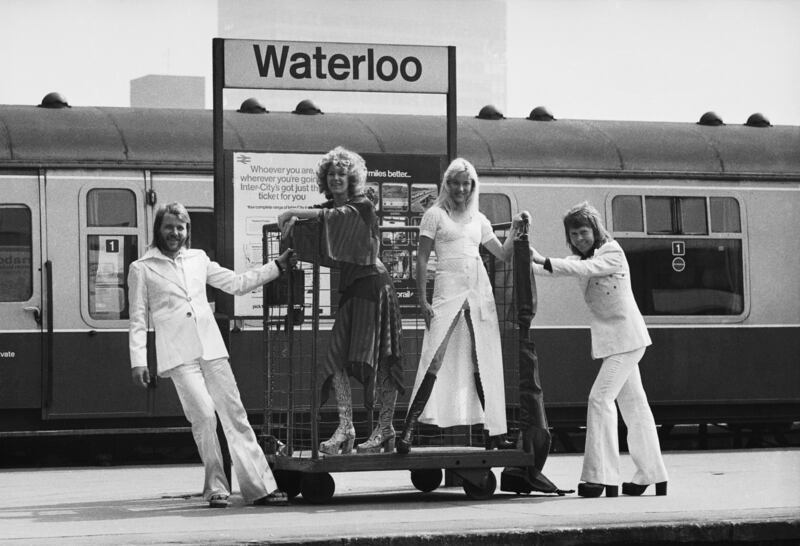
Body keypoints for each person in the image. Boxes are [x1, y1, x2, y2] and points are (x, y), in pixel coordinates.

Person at [128, 202, 293, 508]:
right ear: (158, 229)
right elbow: (138, 318)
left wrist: (277, 267)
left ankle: (260, 488)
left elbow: (236, 284)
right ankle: (216, 488)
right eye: (169, 226)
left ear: (187, 230)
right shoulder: (142, 268)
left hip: (212, 349)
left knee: (235, 416)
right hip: (178, 355)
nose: (175, 232)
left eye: (181, 227)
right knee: (203, 416)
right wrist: (138, 360)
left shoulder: (198, 259)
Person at [527, 201, 668, 497]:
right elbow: (560, 270)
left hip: (628, 341)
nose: (579, 239)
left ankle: (601, 477)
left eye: (583, 232)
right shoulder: (583, 259)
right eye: (574, 235)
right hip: (618, 342)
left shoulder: (612, 252)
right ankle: (652, 474)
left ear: (595, 230)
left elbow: (584, 268)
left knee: (599, 399)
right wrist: (521, 261)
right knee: (634, 407)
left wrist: (542, 258)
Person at [277, 147, 403, 455]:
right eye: (331, 174)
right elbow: (321, 222)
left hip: (374, 287)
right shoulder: (328, 209)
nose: (336, 179)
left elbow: (334, 218)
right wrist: (293, 224)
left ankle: (385, 428)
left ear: (352, 179)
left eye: (341, 174)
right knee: (336, 359)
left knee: (386, 359)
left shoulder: (362, 206)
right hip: (352, 290)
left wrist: (292, 213)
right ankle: (346, 426)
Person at [396, 158, 516, 454]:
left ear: (473, 186)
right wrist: (422, 298)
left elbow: (501, 254)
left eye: (466, 183)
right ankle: (408, 429)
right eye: (455, 182)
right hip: (447, 288)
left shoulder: (480, 219)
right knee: (434, 355)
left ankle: (495, 432)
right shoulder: (434, 215)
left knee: (482, 358)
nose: (460, 188)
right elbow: (422, 259)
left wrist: (517, 230)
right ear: (446, 185)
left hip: (478, 289)